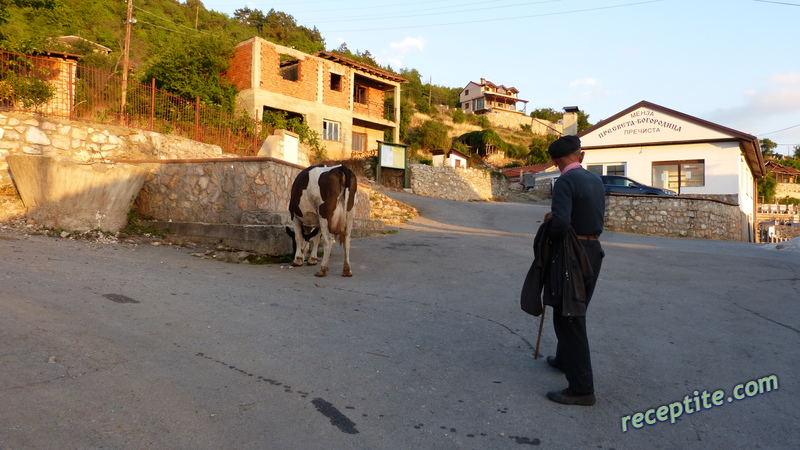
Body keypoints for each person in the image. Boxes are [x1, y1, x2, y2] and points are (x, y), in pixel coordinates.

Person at [542, 135, 605, 406]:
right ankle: (563, 359)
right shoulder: (595, 180)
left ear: (556, 162)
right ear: (581, 155)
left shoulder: (565, 182)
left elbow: (561, 225)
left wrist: (552, 227)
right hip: (593, 251)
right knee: (574, 309)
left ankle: (582, 389)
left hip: (572, 253)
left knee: (569, 316)